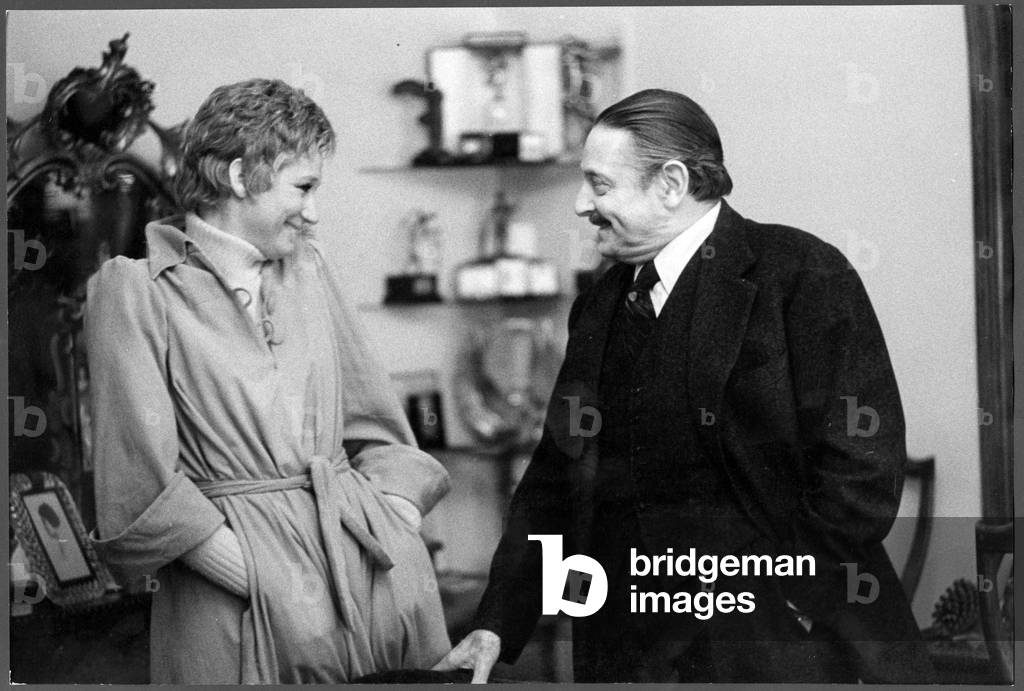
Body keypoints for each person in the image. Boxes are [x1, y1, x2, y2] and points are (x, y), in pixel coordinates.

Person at [435, 89, 935, 683]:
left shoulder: (802, 274)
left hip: (782, 649)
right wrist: (496, 623)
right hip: (626, 653)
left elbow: (861, 470)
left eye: (599, 185)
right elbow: (554, 478)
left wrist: (793, 600)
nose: (579, 205)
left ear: (671, 184)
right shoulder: (599, 305)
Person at [85, 78, 451, 683]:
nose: (315, 211)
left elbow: (378, 430)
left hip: (374, 592)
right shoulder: (135, 291)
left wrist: (392, 529)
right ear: (236, 177)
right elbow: (139, 488)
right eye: (303, 186)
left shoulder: (310, 267)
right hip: (231, 611)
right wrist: (264, 579)